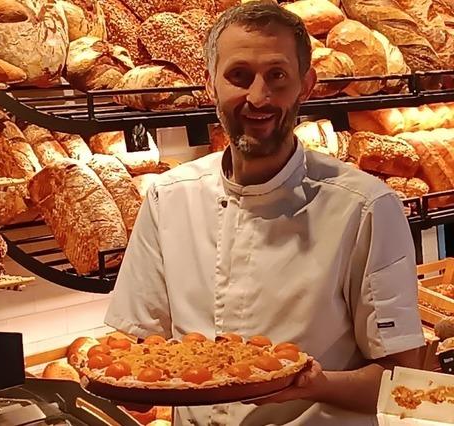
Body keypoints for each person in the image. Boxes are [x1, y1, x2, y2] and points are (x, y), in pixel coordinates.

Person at [104, 2, 425, 425]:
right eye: (239, 76)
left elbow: (409, 384)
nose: (259, 97)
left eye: (277, 76)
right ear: (210, 85)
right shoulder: (168, 198)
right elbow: (140, 349)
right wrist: (122, 384)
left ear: (305, 85)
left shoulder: (365, 207)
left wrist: (317, 384)